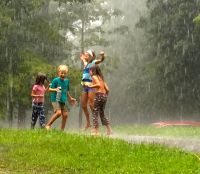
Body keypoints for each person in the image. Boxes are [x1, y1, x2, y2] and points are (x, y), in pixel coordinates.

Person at [45, 65, 76, 131]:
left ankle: (61, 130)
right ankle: (48, 125)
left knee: (65, 115)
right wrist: (56, 89)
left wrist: (70, 98)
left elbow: (66, 90)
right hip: (55, 99)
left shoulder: (67, 81)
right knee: (58, 113)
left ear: (66, 73)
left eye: (64, 73)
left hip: (62, 100)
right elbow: (49, 89)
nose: (63, 74)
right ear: (58, 73)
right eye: (61, 73)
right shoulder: (55, 80)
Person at [80, 50, 105, 130]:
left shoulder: (93, 62)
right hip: (84, 86)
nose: (85, 55)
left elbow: (101, 60)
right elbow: (83, 60)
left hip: (91, 85)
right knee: (83, 105)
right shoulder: (85, 63)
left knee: (91, 104)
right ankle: (88, 123)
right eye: (85, 55)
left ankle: (95, 124)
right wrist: (82, 58)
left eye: (87, 55)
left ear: (91, 56)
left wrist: (102, 55)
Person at [85, 65, 112, 136]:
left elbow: (98, 85)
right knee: (102, 113)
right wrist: (105, 96)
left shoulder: (94, 77)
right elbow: (107, 89)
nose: (89, 72)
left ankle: (96, 132)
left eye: (90, 71)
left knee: (94, 113)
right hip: (104, 96)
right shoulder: (101, 78)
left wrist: (90, 86)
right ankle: (109, 130)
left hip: (99, 95)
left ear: (93, 71)